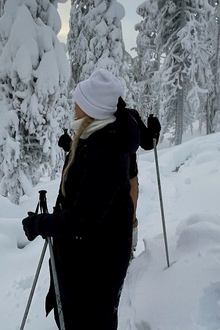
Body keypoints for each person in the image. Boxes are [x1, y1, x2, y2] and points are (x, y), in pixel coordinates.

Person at [22, 69, 142, 330]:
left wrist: (41, 225)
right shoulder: (97, 137)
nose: (73, 106)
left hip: (97, 257)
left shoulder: (107, 153)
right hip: (86, 254)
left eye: (78, 102)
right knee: (80, 319)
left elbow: (82, 219)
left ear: (91, 109)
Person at [58, 100, 160, 258]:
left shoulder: (95, 118)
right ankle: (128, 251)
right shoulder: (130, 116)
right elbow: (148, 143)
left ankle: (118, 254)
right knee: (128, 216)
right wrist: (154, 131)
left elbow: (88, 148)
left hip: (104, 178)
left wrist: (70, 146)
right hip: (129, 177)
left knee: (104, 217)